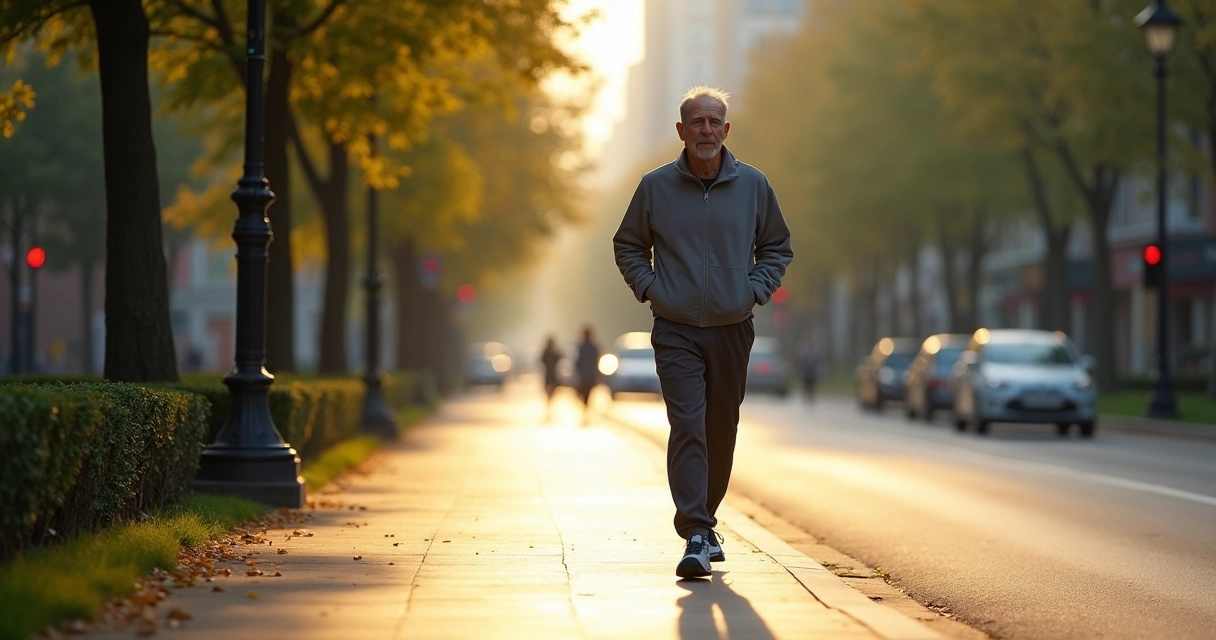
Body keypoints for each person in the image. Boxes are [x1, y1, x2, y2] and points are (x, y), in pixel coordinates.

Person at [613, 86, 793, 579]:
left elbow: (777, 246)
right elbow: (628, 244)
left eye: (715, 122)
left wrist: (754, 290)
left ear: (726, 130)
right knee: (687, 423)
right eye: (697, 122)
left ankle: (705, 521)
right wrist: (652, 290)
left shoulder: (754, 185)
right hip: (675, 328)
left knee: (721, 428)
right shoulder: (655, 187)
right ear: (682, 130)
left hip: (734, 326)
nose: (706, 131)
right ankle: (695, 530)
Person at [573, 325, 601, 424]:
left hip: (584, 375)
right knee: (586, 394)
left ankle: (585, 409)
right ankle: (585, 408)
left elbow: (577, 361)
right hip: (589, 375)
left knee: (584, 394)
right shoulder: (593, 347)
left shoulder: (582, 347)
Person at [539, 335, 563, 421]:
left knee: (550, 393)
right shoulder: (551, 352)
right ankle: (549, 407)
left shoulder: (547, 352)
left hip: (549, 375)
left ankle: (549, 407)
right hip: (551, 375)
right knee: (550, 393)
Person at [797, 336, 822, 402]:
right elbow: (801, 359)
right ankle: (806, 395)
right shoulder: (805, 350)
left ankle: (811, 395)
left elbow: (818, 359)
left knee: (812, 384)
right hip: (806, 370)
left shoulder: (815, 351)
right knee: (806, 384)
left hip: (812, 370)